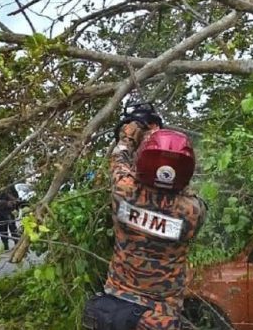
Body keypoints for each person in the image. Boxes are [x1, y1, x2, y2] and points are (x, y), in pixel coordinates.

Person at [82, 111, 207, 330]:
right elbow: (185, 188)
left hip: (116, 305)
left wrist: (129, 137)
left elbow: (119, 159)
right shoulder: (192, 212)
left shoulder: (124, 192)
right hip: (160, 317)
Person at [0, 184, 20, 251]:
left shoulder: (10, 187)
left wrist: (2, 203)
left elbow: (15, 201)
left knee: (13, 229)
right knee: (2, 230)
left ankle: (17, 245)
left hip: (9, 212)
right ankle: (5, 246)